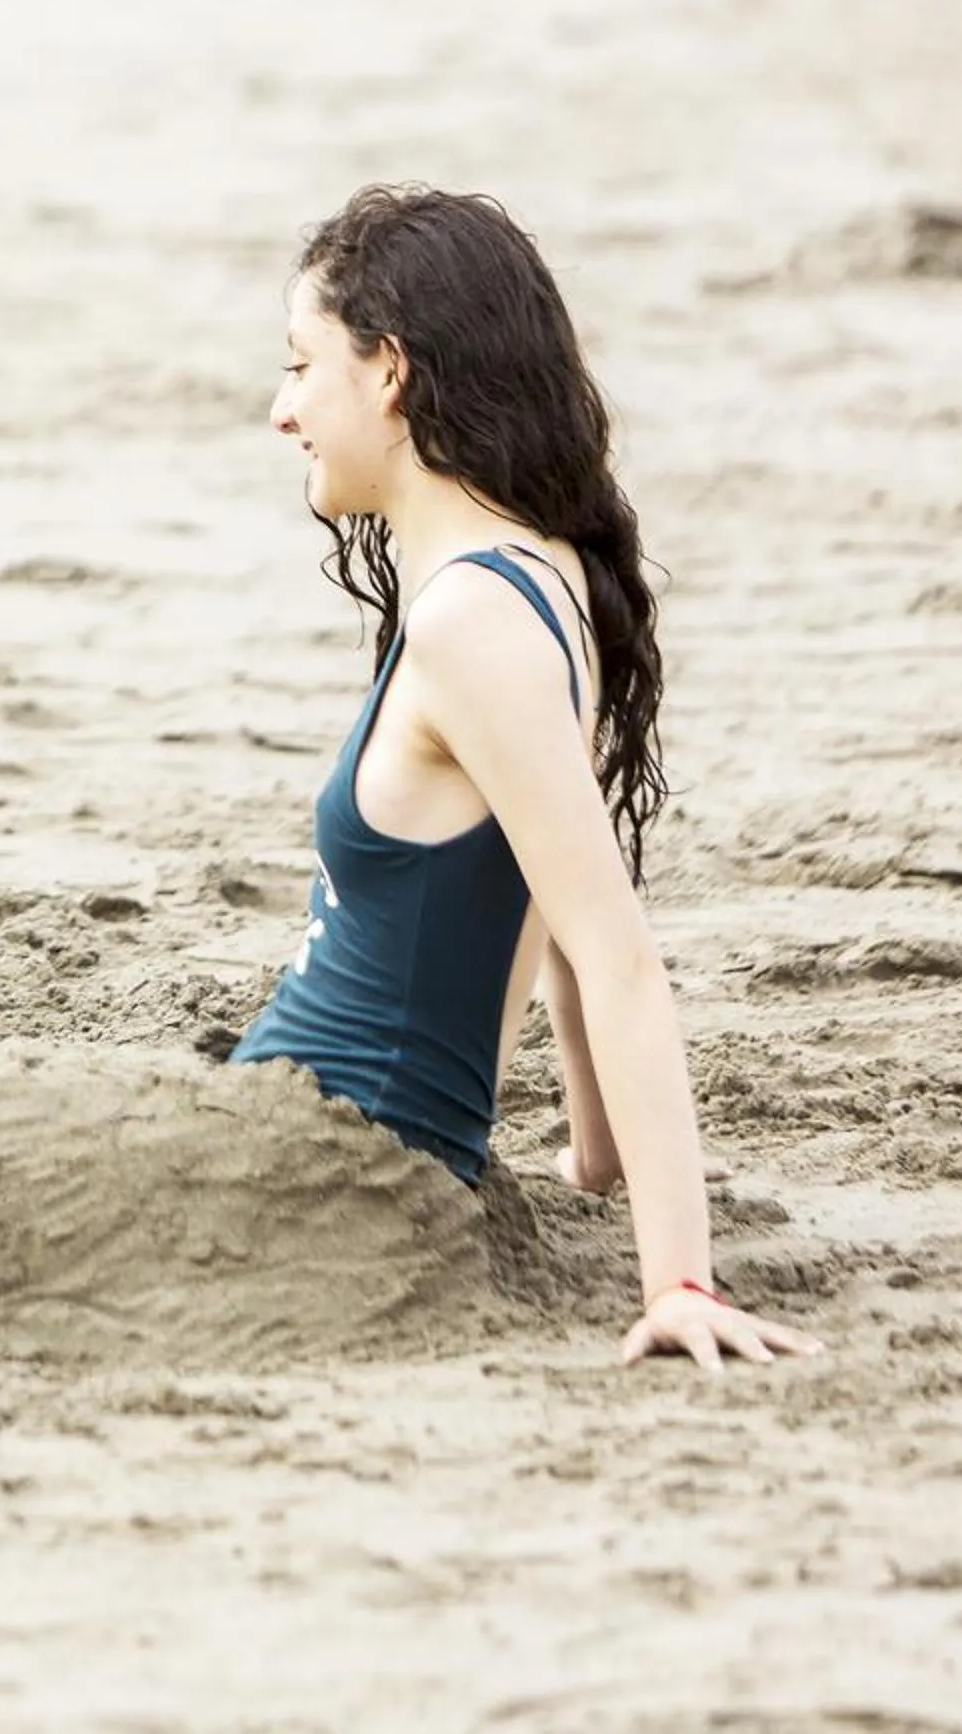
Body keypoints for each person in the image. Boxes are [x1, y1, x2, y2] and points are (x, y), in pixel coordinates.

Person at [231, 185, 819, 1373]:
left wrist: (678, 1282)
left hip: (324, 1175)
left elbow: (617, 952)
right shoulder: (537, 571)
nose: (282, 408)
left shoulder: (473, 620)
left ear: (389, 370)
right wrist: (596, 1149)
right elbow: (542, 885)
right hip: (303, 1137)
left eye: (300, 365)